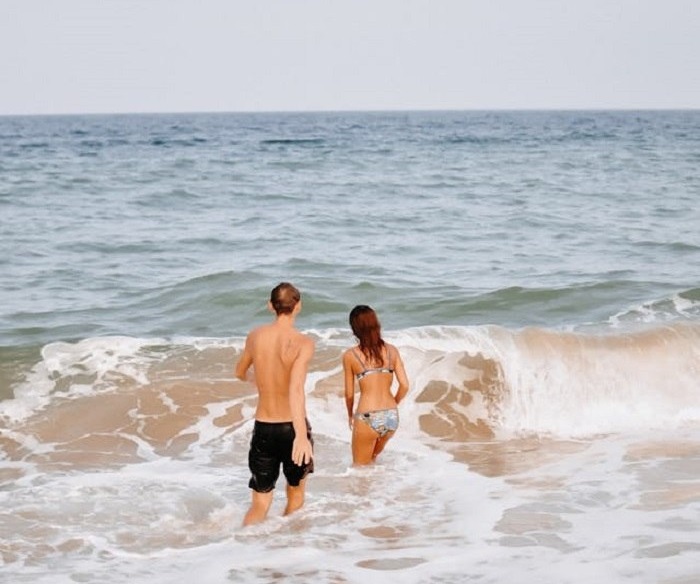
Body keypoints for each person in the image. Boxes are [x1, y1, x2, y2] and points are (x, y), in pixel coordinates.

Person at [235, 282, 315, 526]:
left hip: (264, 427)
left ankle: (242, 549)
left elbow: (239, 372)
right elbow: (295, 390)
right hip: (292, 427)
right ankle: (286, 553)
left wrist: (259, 382)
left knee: (259, 504)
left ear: (271, 306)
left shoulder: (255, 336)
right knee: (296, 495)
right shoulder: (303, 343)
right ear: (298, 306)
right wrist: (301, 436)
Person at [343, 305, 409, 465]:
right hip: (391, 417)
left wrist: (350, 414)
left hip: (368, 416)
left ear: (355, 329)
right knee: (371, 461)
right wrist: (394, 403)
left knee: (360, 469)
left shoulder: (350, 355)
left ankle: (363, 491)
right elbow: (405, 385)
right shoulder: (392, 351)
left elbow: (349, 393)